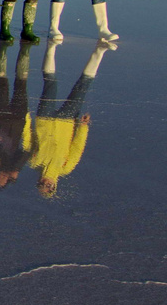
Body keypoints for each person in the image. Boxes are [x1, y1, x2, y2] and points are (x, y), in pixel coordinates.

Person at [27, 38, 112, 197]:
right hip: (67, 121)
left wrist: (26, 118)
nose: (46, 182)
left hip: (44, 118)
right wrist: (83, 127)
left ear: (38, 181)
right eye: (49, 186)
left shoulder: (34, 162)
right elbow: (77, 147)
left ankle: (51, 46)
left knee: (50, 82)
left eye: (41, 184)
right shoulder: (65, 167)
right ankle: (100, 51)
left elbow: (27, 138)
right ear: (54, 186)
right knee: (82, 86)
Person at [0, 42, 35, 188]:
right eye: (4, 180)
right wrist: (16, 169)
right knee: (21, 83)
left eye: (0, 178)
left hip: (0, 117)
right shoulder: (12, 164)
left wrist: (0, 168)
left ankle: (2, 48)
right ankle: (25, 50)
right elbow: (26, 153)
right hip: (18, 120)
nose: (3, 176)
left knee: (2, 83)